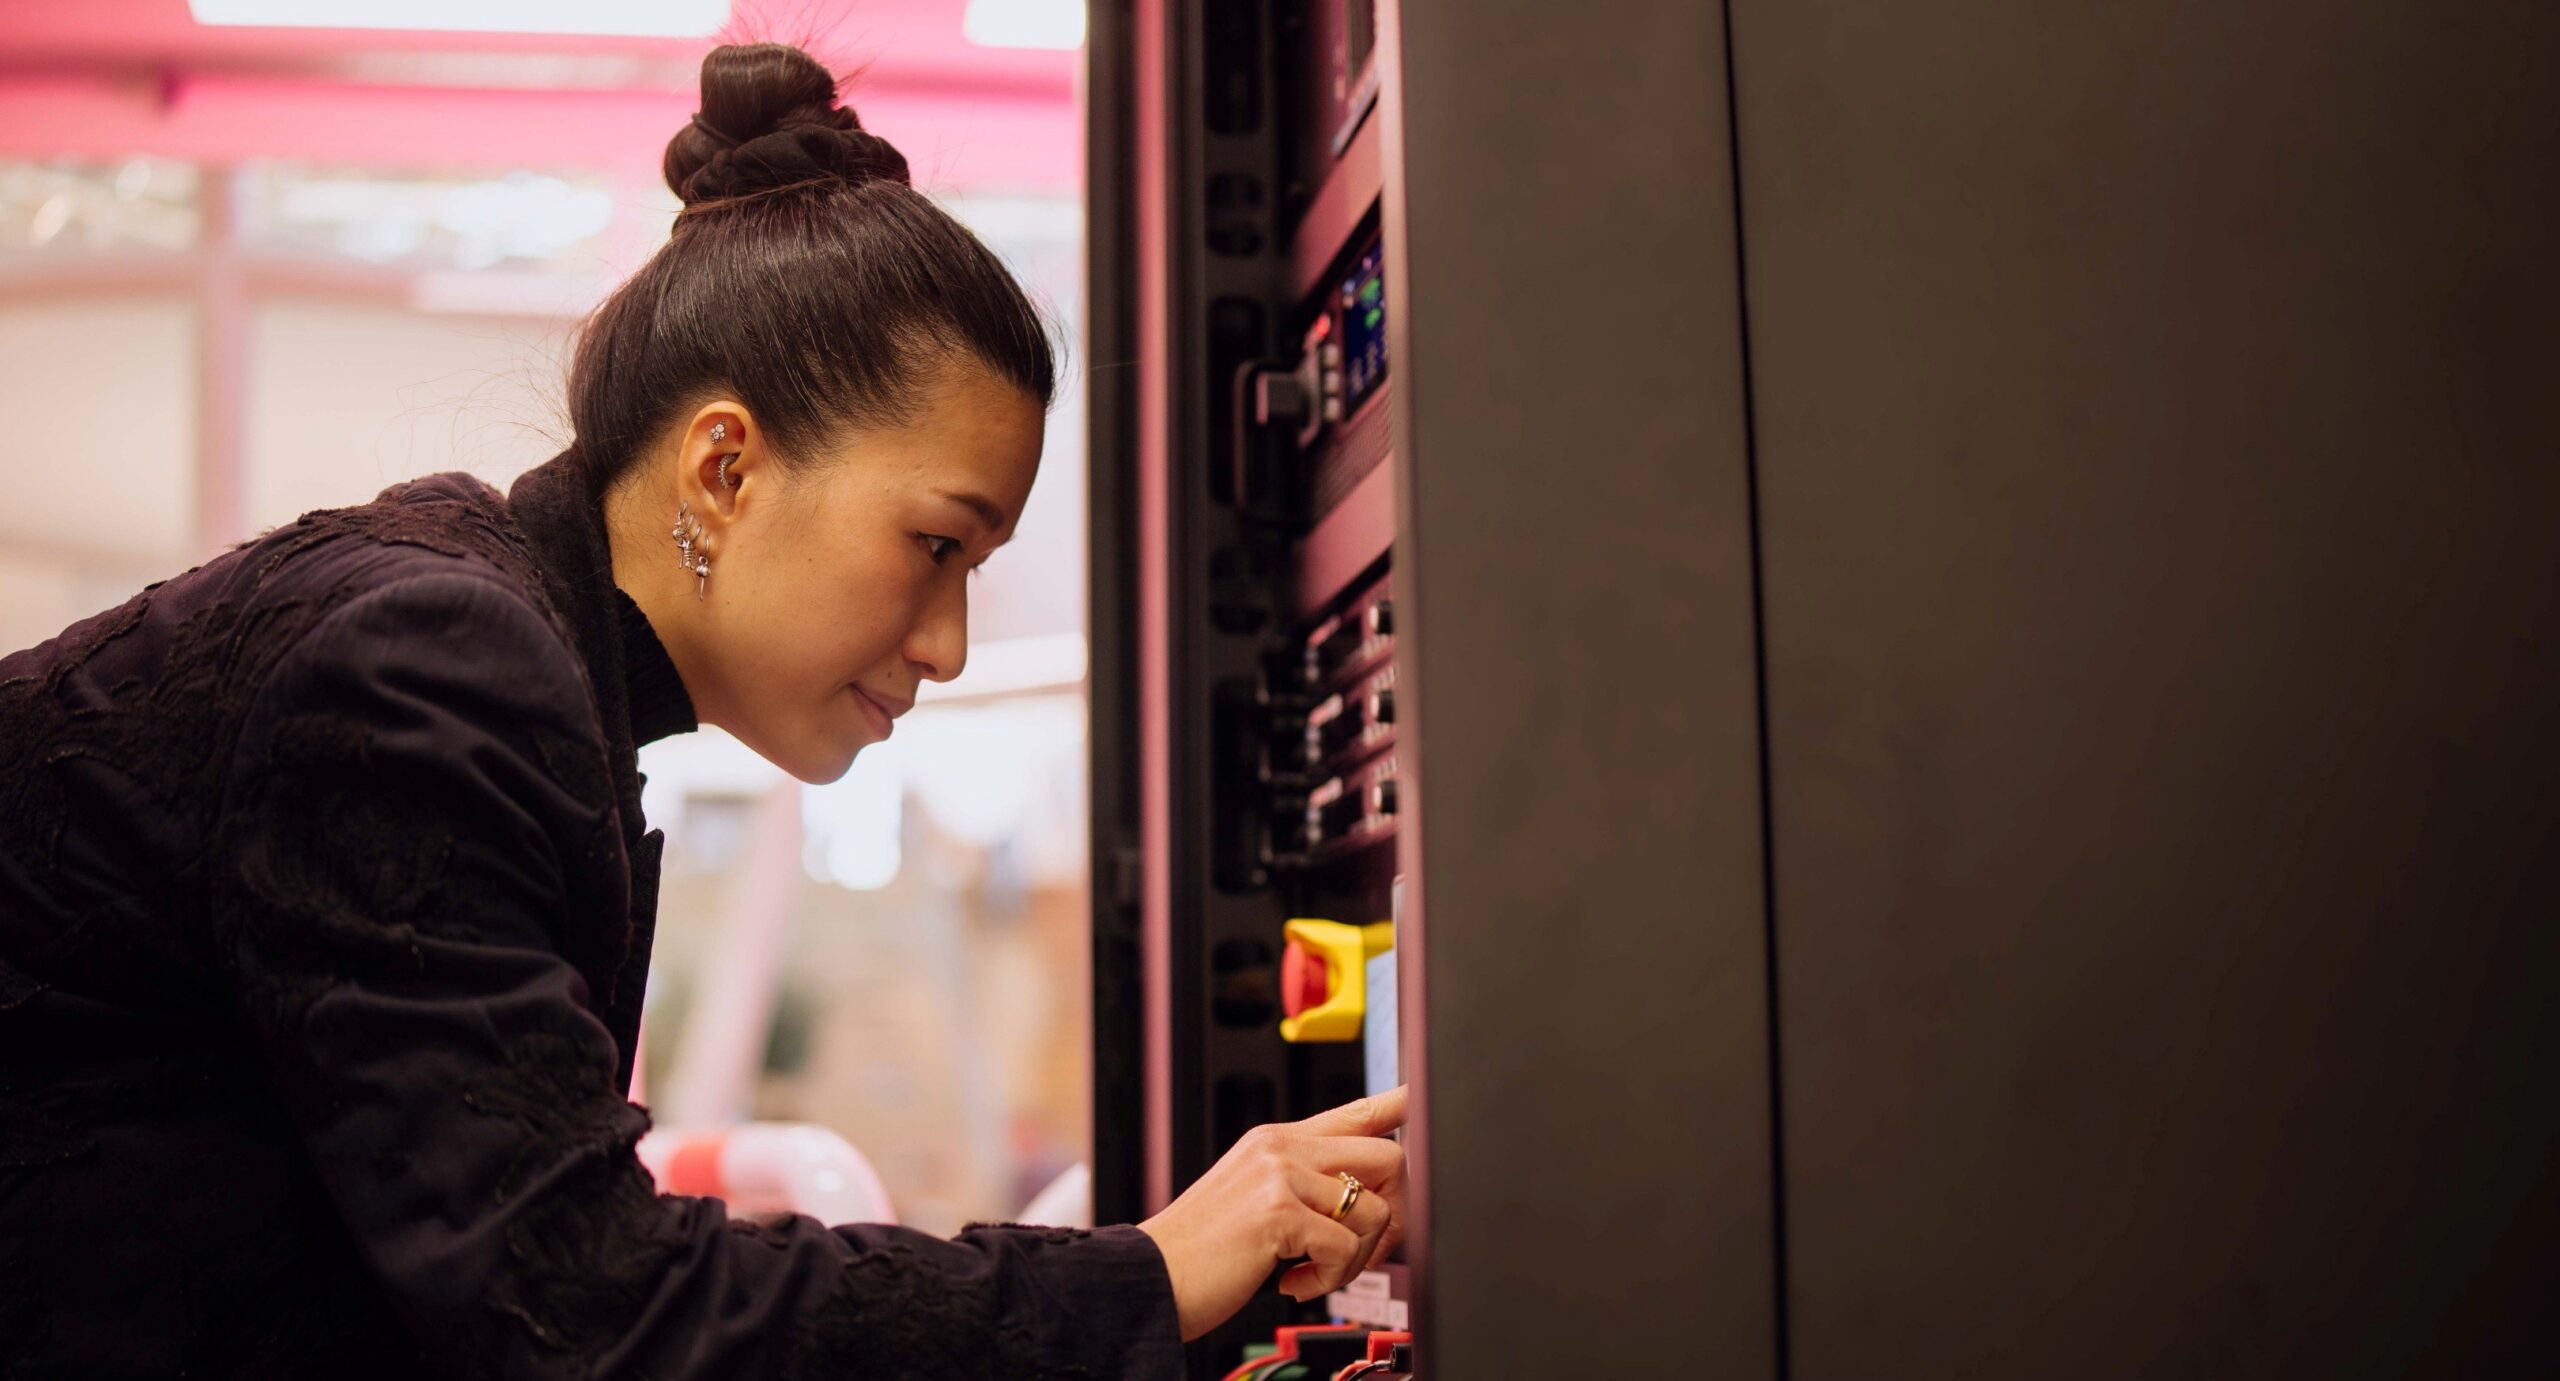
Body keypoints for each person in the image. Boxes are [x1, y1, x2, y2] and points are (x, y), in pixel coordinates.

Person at [0, 41, 1404, 1378]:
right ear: (725, 468)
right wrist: (1148, 1272)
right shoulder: (425, 663)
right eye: (935, 545)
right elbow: (591, 1319)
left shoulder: (500, 653)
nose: (952, 644)